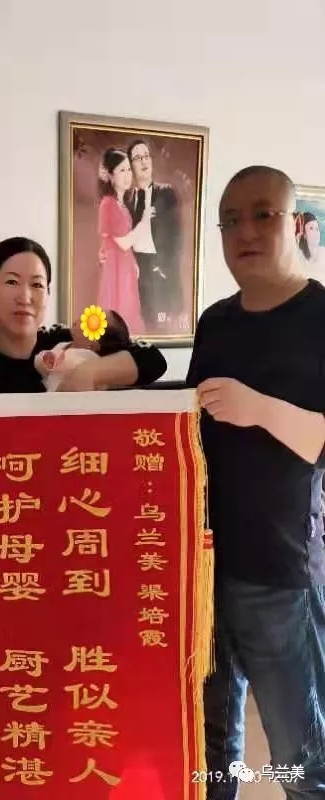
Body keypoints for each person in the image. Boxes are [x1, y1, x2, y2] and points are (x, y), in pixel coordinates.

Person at [186, 165, 325, 799]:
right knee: (212, 745)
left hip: (281, 571)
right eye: (230, 220)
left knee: (301, 754)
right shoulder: (216, 321)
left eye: (262, 215)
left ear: (297, 224)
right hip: (203, 565)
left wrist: (262, 409)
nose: (245, 231)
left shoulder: (318, 315)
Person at [0, 236, 167, 394]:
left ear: (48, 293)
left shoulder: (68, 340)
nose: (25, 297)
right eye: (12, 282)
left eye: (37, 285)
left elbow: (151, 359)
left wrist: (89, 371)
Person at [126, 139, 183, 333]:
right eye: (137, 158)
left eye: (146, 156)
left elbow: (176, 236)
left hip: (159, 267)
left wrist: (164, 266)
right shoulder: (127, 198)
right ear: (130, 165)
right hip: (135, 268)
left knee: (161, 326)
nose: (143, 161)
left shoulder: (166, 193)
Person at [97, 148, 149, 335]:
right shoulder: (108, 204)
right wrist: (143, 223)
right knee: (118, 314)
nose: (128, 175)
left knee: (128, 315)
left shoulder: (122, 206)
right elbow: (123, 243)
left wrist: (133, 263)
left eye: (128, 169)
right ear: (110, 176)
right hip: (116, 270)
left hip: (124, 268)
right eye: (121, 170)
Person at [35, 309, 133, 391]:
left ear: (94, 344)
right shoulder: (62, 345)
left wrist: (56, 362)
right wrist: (44, 360)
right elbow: (40, 365)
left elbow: (69, 365)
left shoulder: (89, 358)